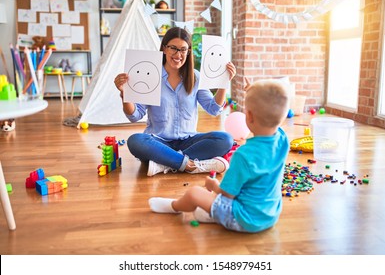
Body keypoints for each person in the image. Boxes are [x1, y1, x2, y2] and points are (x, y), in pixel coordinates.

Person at [149, 79, 290, 233]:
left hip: (243, 219)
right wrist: (254, 93)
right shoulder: (283, 140)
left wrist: (213, 185)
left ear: (248, 116)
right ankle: (213, 214)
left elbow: (228, 194)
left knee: (194, 193)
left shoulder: (243, 155)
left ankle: (175, 206)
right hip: (270, 216)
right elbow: (272, 113)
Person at [114, 27, 236, 176]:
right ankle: (187, 163)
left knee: (225, 139)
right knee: (135, 141)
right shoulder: (151, 75)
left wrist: (224, 82)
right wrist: (125, 94)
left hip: (189, 140)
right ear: (164, 49)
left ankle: (166, 163)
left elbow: (213, 109)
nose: (178, 54)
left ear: (188, 52)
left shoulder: (195, 77)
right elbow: (135, 115)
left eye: (183, 50)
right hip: (158, 142)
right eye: (173, 48)